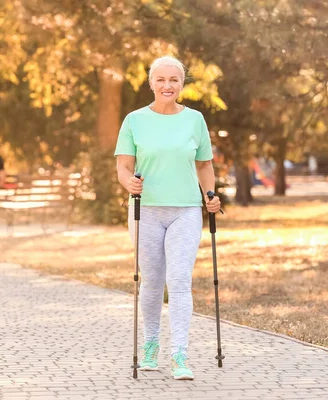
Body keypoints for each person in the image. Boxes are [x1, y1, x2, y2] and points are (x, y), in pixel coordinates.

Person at [114, 56, 221, 380]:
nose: (167, 86)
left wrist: (210, 195)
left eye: (173, 79)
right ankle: (150, 346)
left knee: (178, 280)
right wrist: (128, 182)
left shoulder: (195, 120)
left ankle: (180, 353)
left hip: (186, 210)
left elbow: (204, 165)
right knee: (152, 281)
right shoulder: (134, 120)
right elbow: (123, 166)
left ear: (182, 83)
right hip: (145, 210)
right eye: (160, 80)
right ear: (151, 83)